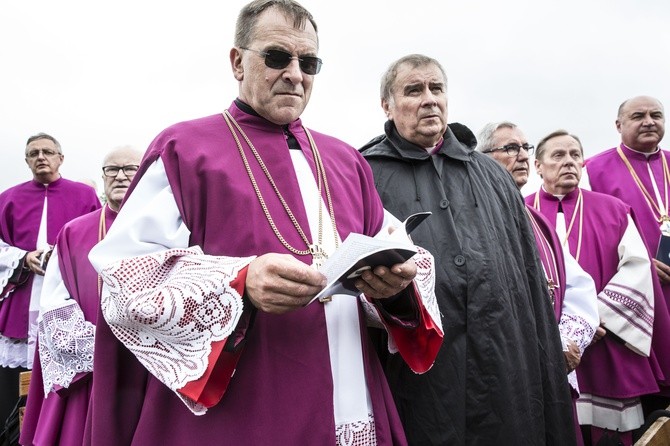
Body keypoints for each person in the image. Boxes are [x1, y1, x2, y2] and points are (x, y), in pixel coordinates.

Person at [85, 2, 443, 445]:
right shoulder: (185, 149)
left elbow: (397, 250)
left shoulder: (345, 159)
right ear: (238, 62)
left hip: (352, 391)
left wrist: (395, 287)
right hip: (246, 407)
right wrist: (239, 282)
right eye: (277, 57)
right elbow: (126, 282)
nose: (295, 73)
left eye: (308, 62)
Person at [360, 54, 576, 445]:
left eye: (436, 89)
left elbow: (526, 276)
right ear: (386, 105)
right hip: (417, 372)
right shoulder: (364, 173)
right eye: (414, 90)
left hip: (502, 362)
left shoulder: (491, 174)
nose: (429, 100)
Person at [526, 129, 659, 446]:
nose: (569, 162)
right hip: (545, 344)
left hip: (607, 342)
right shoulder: (519, 211)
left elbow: (637, 270)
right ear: (538, 166)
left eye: (575, 155)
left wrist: (594, 319)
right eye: (558, 155)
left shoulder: (614, 209)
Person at [477, 121, 599, 446]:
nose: (522, 156)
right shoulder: (472, 217)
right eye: (510, 148)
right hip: (501, 371)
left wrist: (566, 340)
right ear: (481, 159)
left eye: (525, 148)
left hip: (551, 367)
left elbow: (577, 287)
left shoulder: (539, 220)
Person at [19, 146, 143, 446]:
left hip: (147, 370)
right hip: (90, 371)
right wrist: (99, 349)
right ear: (103, 177)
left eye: (130, 169)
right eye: (111, 170)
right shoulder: (74, 231)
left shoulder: (169, 228)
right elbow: (53, 303)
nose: (120, 176)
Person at [0, 133, 100, 426]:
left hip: (68, 294)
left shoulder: (84, 196)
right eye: (33, 153)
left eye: (47, 151)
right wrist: (22, 258)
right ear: (27, 160)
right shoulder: (7, 199)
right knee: (14, 378)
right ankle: (14, 431)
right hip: (24, 291)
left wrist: (66, 257)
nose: (40, 157)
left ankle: (59, 429)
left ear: (60, 158)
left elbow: (98, 237)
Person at [582, 95, 670, 416]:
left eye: (656, 115)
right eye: (638, 116)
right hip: (636, 294)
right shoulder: (592, 170)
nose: (649, 121)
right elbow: (586, 233)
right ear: (619, 125)